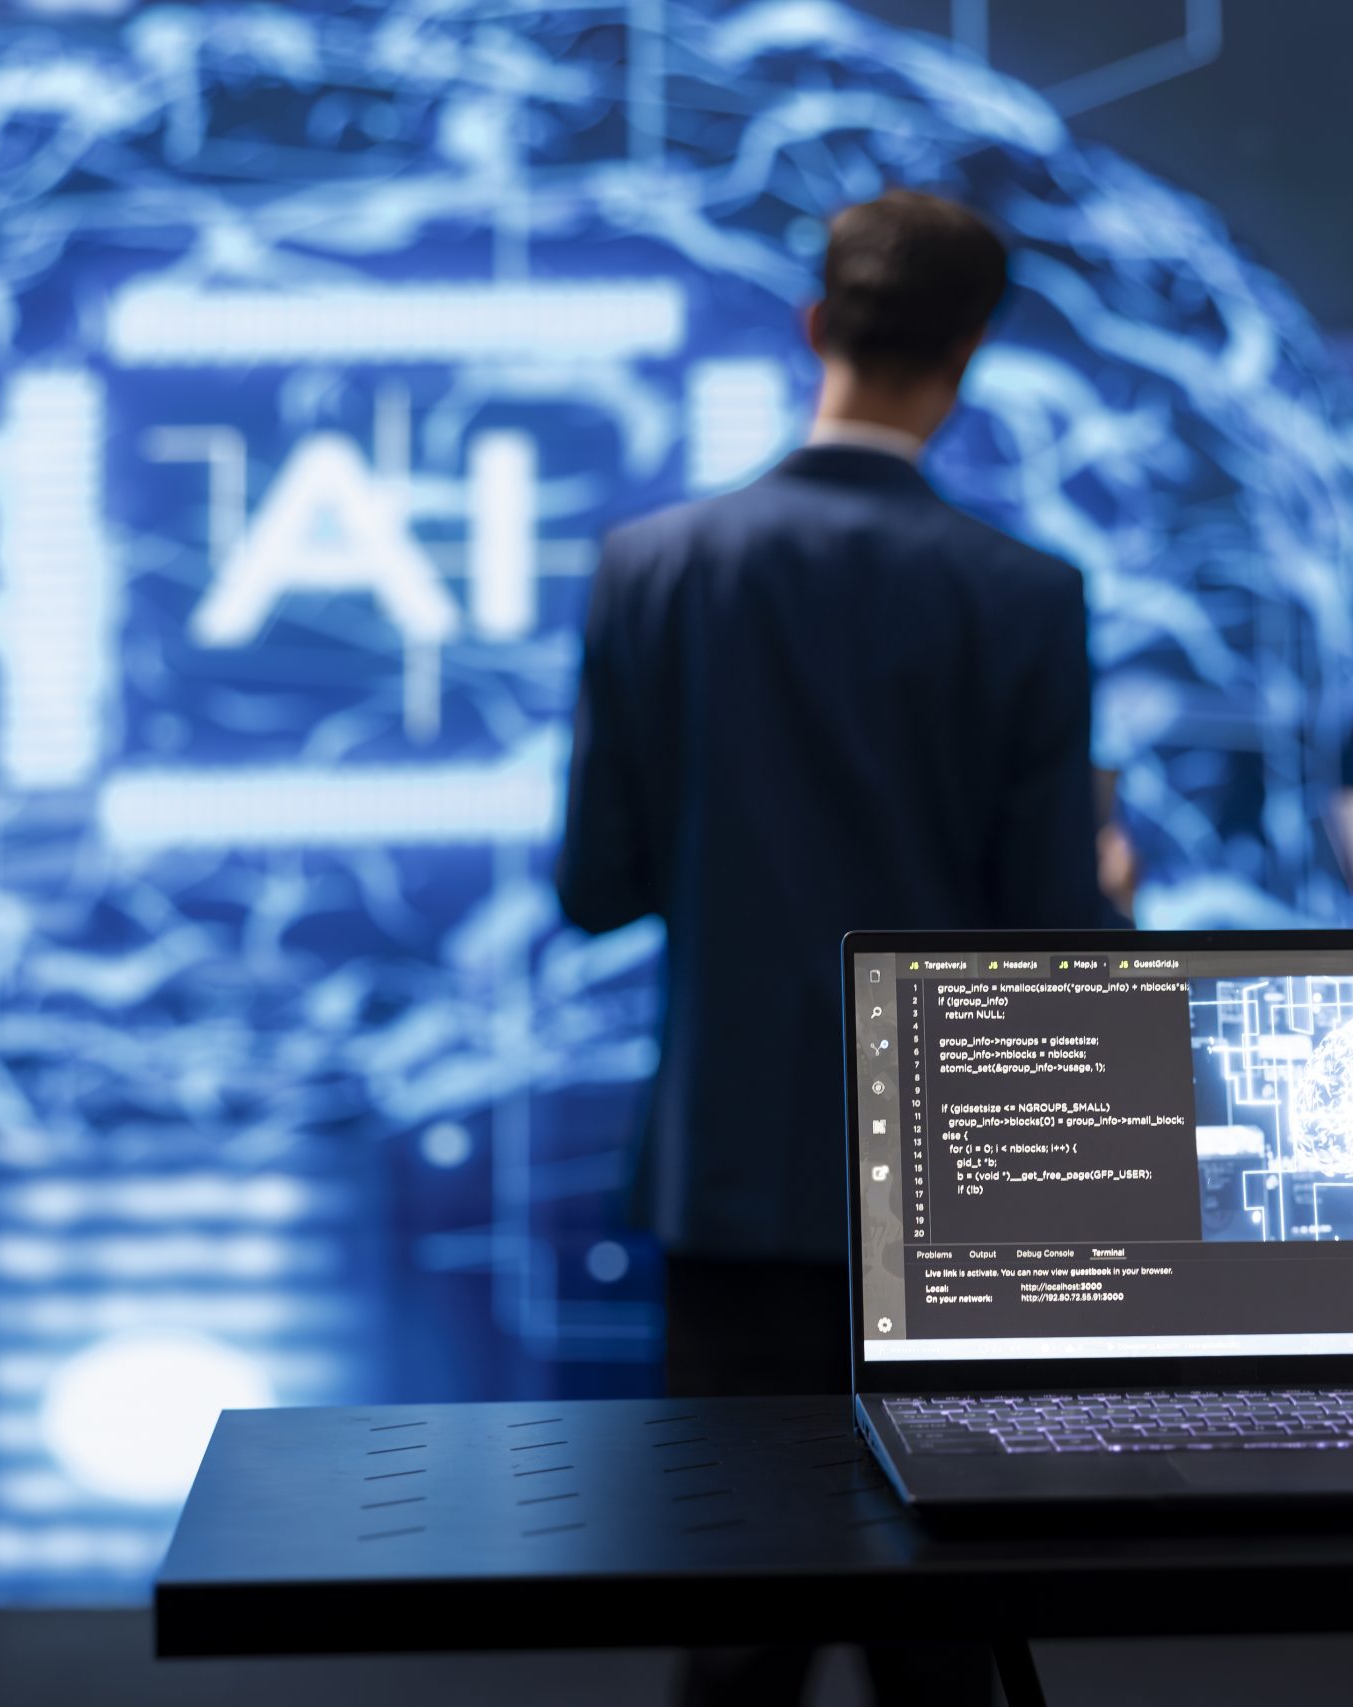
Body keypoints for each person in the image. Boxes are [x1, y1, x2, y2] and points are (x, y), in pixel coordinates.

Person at [557, 189, 1108, 1706]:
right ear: (971, 353)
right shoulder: (1027, 597)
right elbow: (1057, 940)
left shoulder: (650, 569)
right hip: (958, 1200)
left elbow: (594, 885)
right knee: (947, 1633)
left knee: (737, 1629)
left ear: (814, 327)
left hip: (729, 1178)